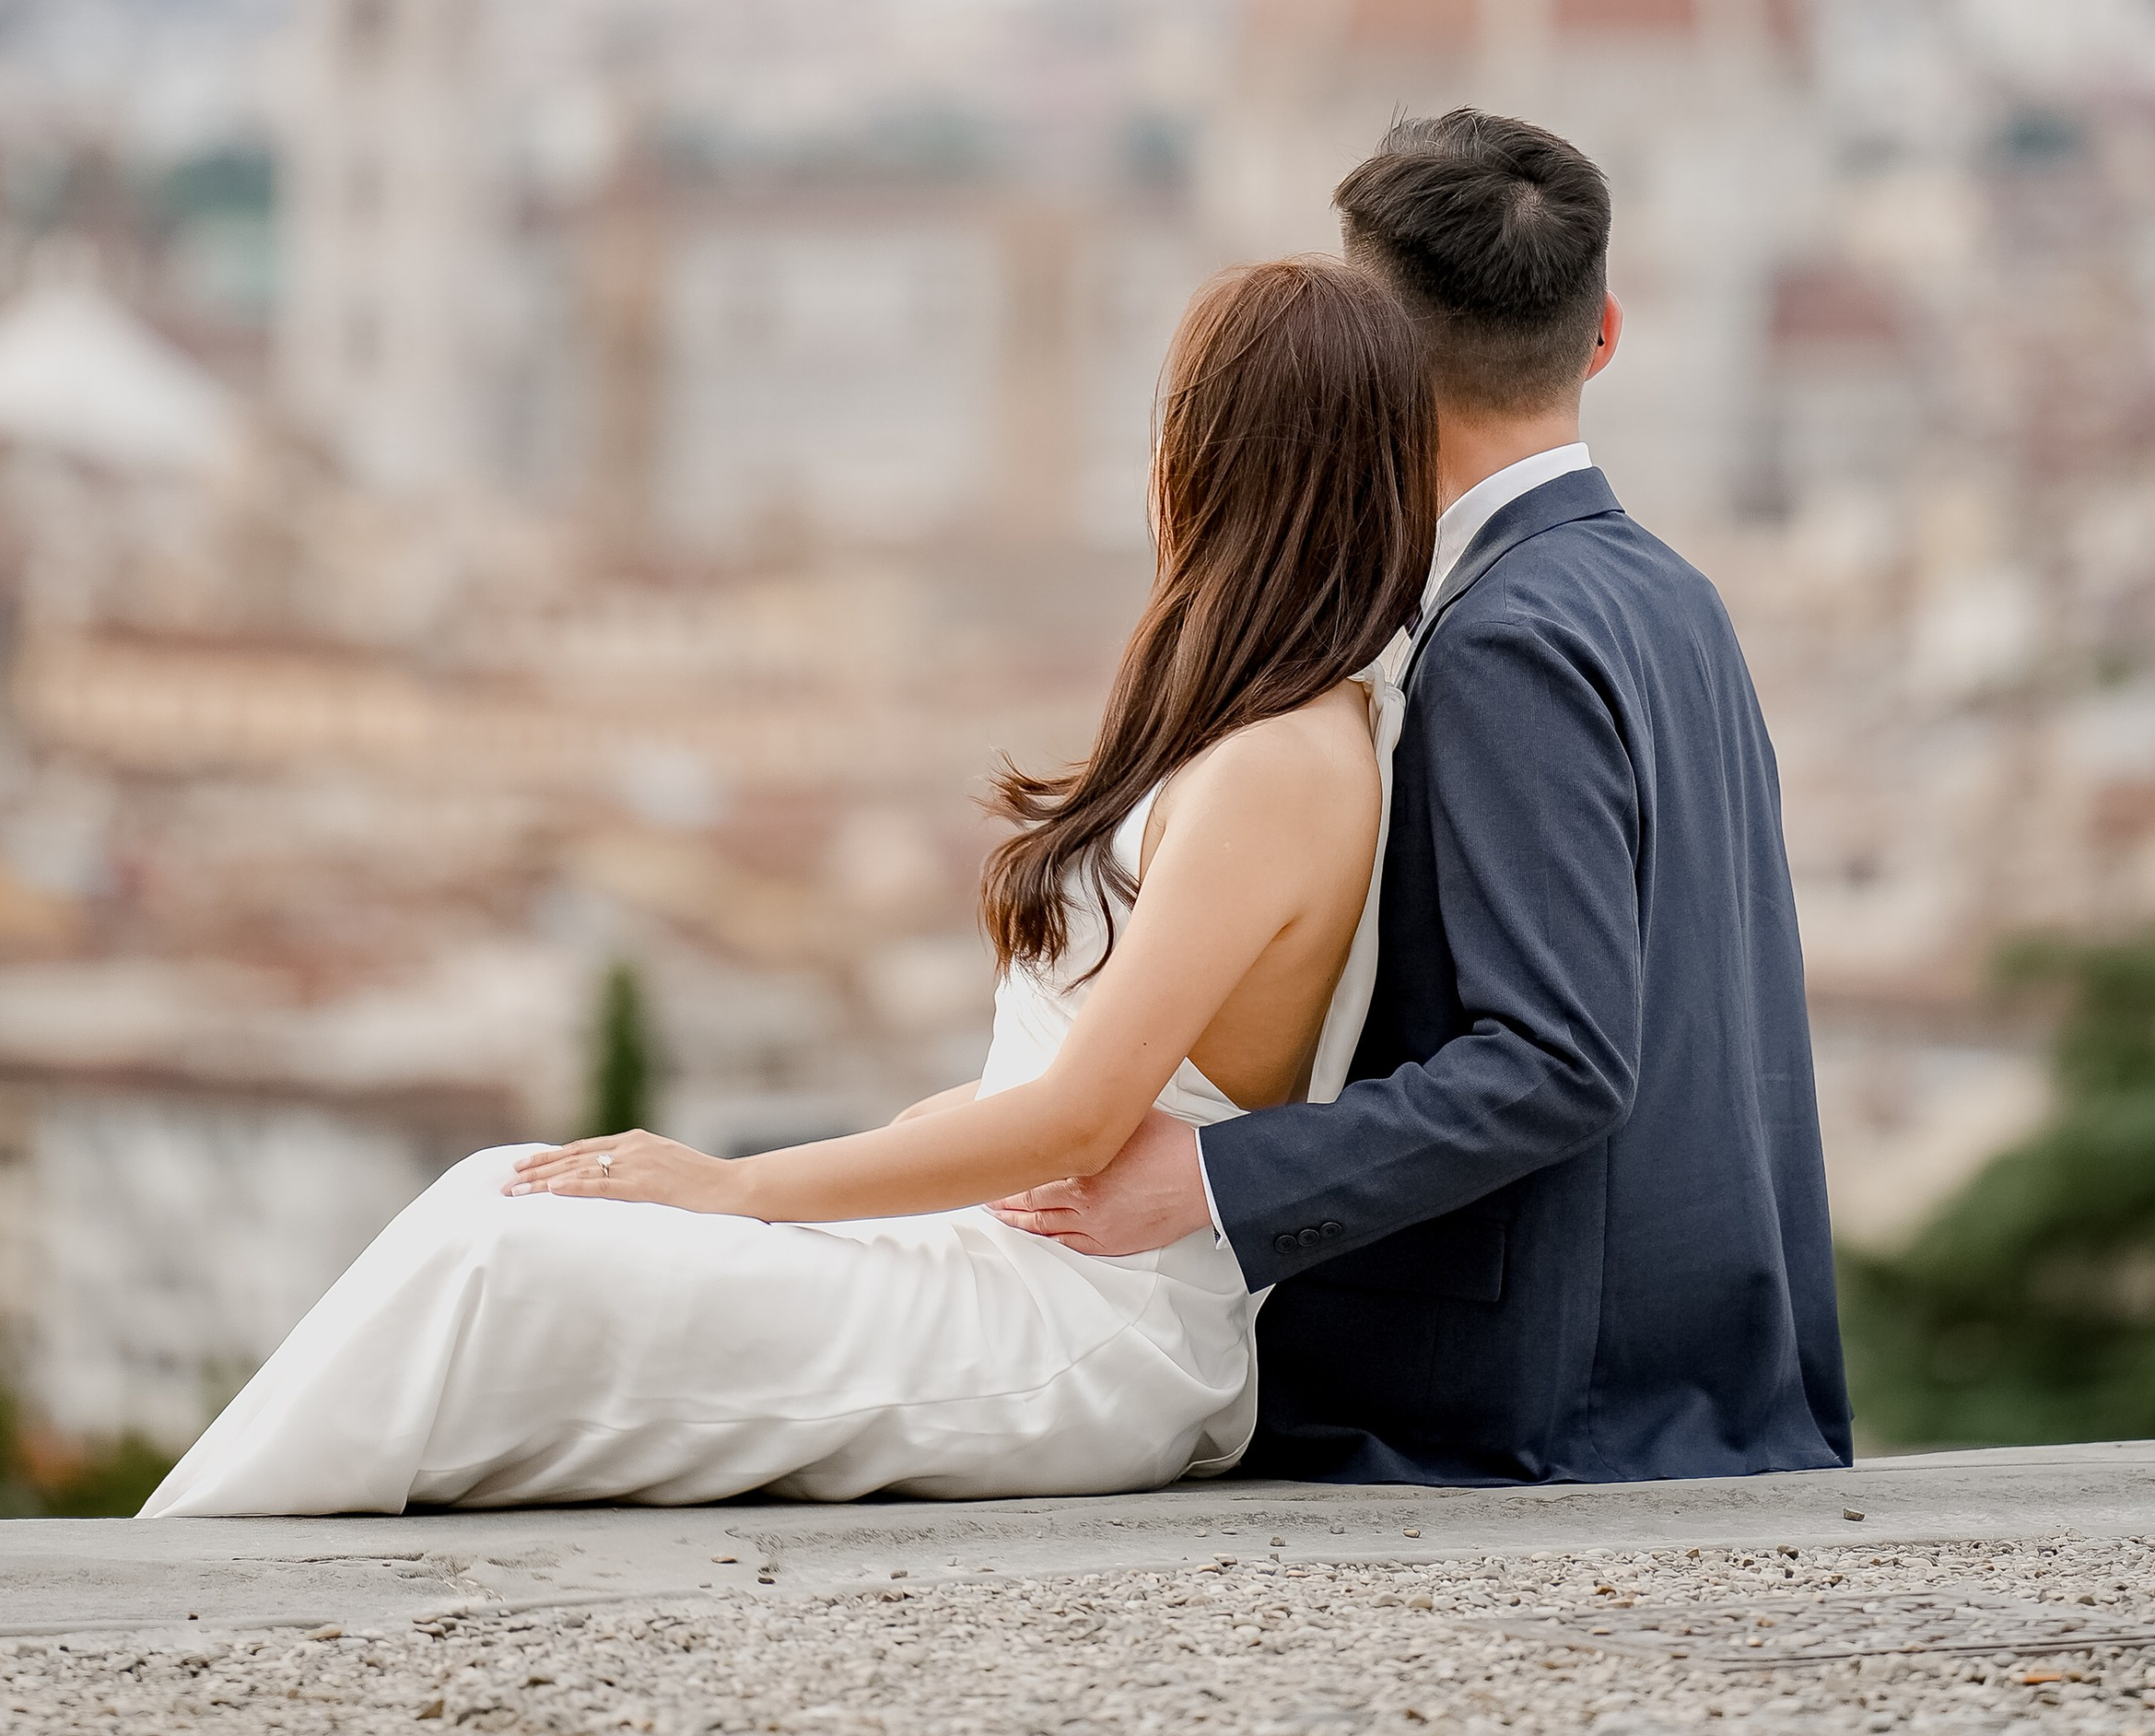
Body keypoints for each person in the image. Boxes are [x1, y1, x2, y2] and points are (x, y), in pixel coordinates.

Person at [142, 257, 1435, 1517]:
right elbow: (1061, 1094)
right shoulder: (1260, 732)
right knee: (505, 1188)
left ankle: (190, 1578)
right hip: (1025, 1264)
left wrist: (738, 1186)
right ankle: (196, 1551)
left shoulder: (1279, 765)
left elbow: (1081, 1123)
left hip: (1087, 1325)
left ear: (1215, 465)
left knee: (500, 1261)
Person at [995, 108, 1851, 1484]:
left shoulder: (1506, 638)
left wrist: (1214, 1181)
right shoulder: (1671, 595)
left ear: (1372, 364)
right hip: (1702, 1365)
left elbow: (1560, 1060)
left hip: (1537, 1400)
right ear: (1604, 334)